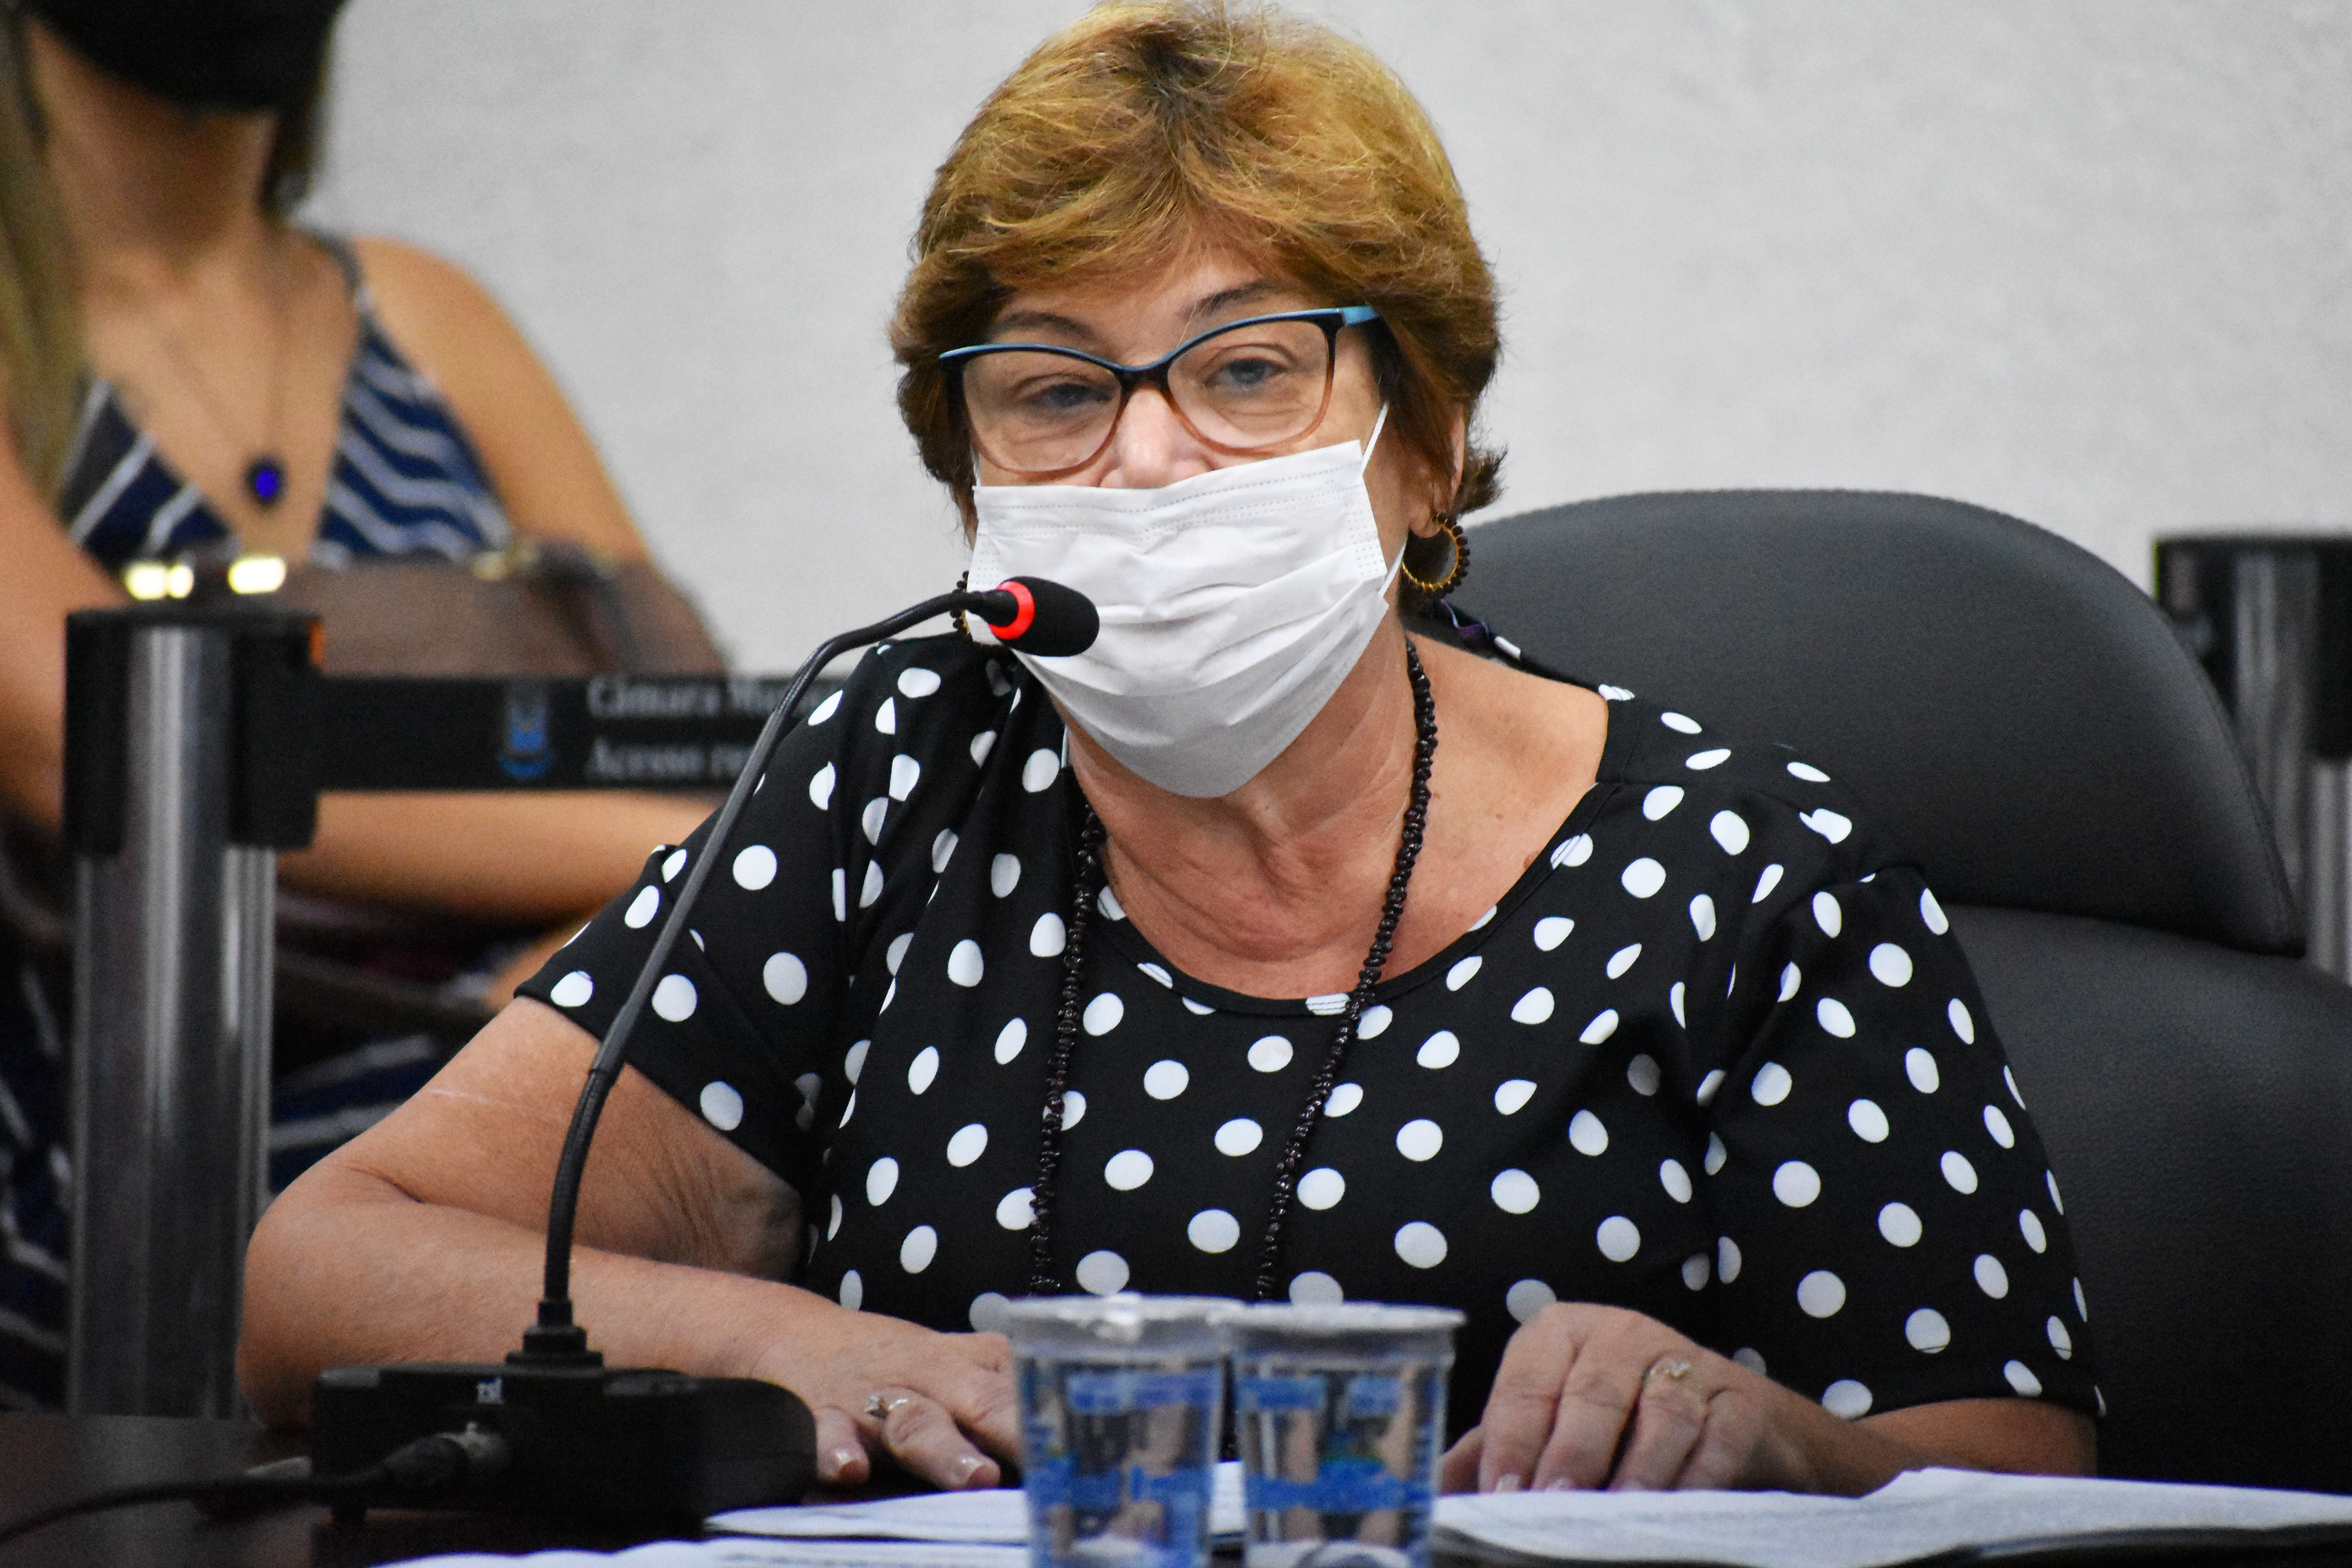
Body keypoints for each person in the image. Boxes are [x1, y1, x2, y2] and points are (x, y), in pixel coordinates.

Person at [240, 1, 2098, 1494]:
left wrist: (1775, 1439)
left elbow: (2019, 1466)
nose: (1143, 457)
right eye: (1056, 389)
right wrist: (799, 1341)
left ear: (1427, 444)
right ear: (972, 477)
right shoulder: (903, 768)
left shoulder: (1742, 871)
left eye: (1247, 369)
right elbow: (327, 1265)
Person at [0, 0, 710, 1409]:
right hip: (125, 1121)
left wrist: (632, 917)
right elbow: (105, 748)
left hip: (491, 1041)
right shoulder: (29, 343)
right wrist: (677, 872)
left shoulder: (422, 313)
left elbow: (667, 711)